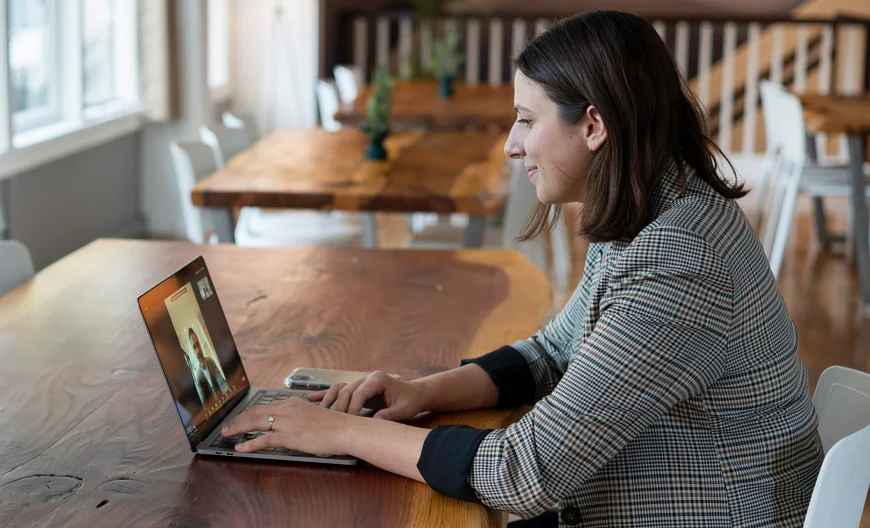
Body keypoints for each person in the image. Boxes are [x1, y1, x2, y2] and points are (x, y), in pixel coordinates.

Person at [221, 11, 824, 527]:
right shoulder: (656, 209)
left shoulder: (681, 258)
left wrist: (340, 436)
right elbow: (550, 353)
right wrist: (418, 392)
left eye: (527, 120)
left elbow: (524, 473)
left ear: (593, 126)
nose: (512, 144)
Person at [189, 327, 227, 399]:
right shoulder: (198, 378)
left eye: (198, 344)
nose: (198, 350)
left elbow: (222, 383)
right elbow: (205, 405)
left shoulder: (210, 361)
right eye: (194, 347)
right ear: (192, 351)